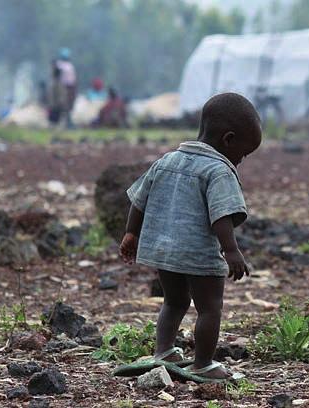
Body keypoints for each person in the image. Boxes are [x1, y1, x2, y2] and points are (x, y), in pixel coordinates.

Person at [119, 92, 262, 380]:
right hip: (198, 253)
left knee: (173, 302)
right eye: (244, 153)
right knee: (210, 308)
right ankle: (204, 364)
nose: (242, 160)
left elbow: (139, 201)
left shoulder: (167, 160)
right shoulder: (218, 171)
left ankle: (164, 351)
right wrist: (231, 251)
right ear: (228, 140)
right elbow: (221, 215)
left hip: (166, 251)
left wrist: (131, 233)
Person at [55, 47, 77, 127]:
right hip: (62, 87)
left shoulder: (69, 65)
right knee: (63, 105)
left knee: (68, 105)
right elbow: (56, 76)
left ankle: (68, 122)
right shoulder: (59, 64)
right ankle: (63, 122)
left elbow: (73, 79)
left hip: (70, 88)